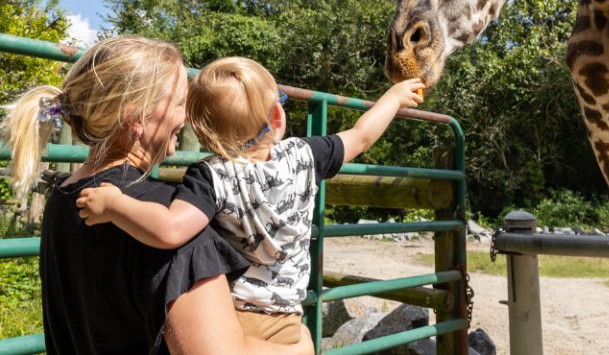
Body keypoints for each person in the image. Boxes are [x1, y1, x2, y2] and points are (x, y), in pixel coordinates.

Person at [77, 56, 424, 344]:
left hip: (237, 316)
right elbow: (362, 135)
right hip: (289, 317)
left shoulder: (210, 175)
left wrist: (113, 205)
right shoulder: (305, 155)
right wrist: (393, 97)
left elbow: (170, 229)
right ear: (276, 117)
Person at [1, 37, 314, 355]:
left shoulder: (65, 196)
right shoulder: (171, 221)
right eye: (181, 102)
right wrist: (298, 350)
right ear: (136, 118)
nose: (188, 118)